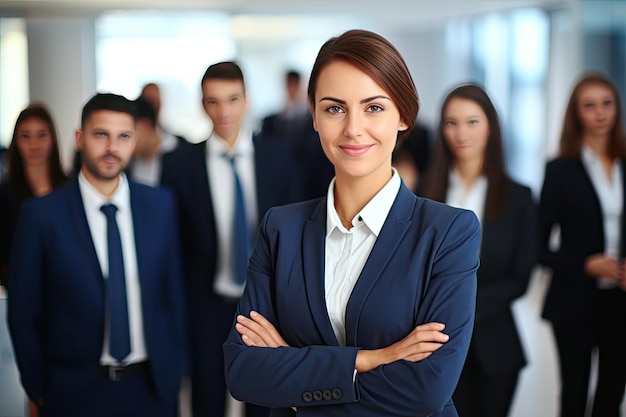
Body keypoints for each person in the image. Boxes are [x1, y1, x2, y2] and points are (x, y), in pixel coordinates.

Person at [223, 29, 481, 416]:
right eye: (334, 108)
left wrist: (296, 378)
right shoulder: (281, 228)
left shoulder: (448, 232)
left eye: (374, 107)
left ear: (404, 115)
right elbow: (243, 372)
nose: (353, 128)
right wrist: (372, 359)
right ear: (314, 115)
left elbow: (426, 390)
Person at [7, 93, 188, 417]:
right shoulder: (41, 216)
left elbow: (172, 294)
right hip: (73, 392)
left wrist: (175, 370)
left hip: (152, 388)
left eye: (123, 136)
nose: (111, 147)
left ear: (135, 141)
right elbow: (24, 314)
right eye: (100, 134)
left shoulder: (160, 205)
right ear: (79, 138)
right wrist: (38, 389)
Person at [160, 61, 303, 417]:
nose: (223, 111)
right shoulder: (178, 164)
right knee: (207, 398)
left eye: (232, 99)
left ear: (247, 101)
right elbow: (171, 247)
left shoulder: (279, 158)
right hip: (206, 303)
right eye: (213, 101)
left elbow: (295, 237)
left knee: (263, 400)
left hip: (265, 306)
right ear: (202, 104)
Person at [419, 84, 536, 417]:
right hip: (433, 348)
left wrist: (461, 310)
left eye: (472, 122)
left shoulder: (519, 197)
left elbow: (520, 278)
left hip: (495, 345)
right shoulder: (423, 191)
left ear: (491, 126)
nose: (461, 133)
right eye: (451, 122)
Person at [538, 72, 626, 417]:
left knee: (612, 394)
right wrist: (584, 265)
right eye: (589, 106)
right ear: (576, 114)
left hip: (620, 300)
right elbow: (538, 247)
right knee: (574, 394)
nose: (600, 113)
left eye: (607, 103)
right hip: (574, 300)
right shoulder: (559, 171)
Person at [0, 103, 67, 289]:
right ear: (16, 142)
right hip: (22, 286)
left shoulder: (70, 188)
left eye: (42, 135)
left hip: (67, 289)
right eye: (25, 136)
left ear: (52, 139)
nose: (34, 144)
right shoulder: (5, 194)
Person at [258, 69, 334, 200]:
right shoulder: (271, 122)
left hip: (311, 186)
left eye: (295, 85)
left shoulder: (315, 121)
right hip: (280, 182)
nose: (292, 90)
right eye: (290, 86)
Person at [129, 96, 179, 186]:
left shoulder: (182, 154)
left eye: (127, 134)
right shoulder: (129, 164)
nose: (125, 142)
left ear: (145, 125)